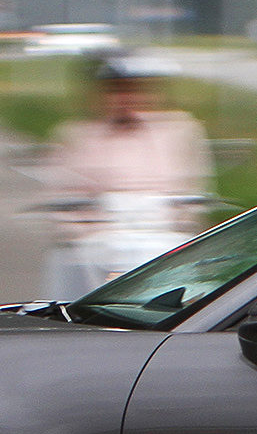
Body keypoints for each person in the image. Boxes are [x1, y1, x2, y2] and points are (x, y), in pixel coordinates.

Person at [34, 57, 213, 301]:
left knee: (173, 258)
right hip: (101, 236)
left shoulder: (178, 131)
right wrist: (87, 228)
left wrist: (169, 216)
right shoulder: (76, 136)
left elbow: (193, 193)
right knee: (78, 262)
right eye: (116, 91)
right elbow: (60, 199)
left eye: (132, 90)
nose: (125, 99)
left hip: (159, 232)